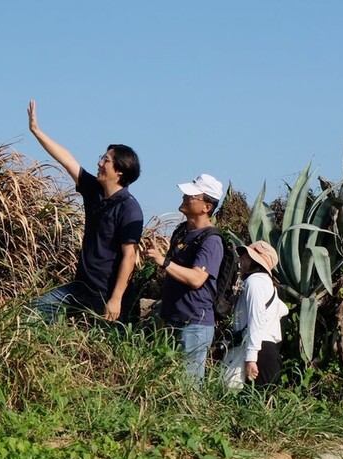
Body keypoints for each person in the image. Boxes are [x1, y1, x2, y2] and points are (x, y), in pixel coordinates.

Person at [26, 100, 143, 323]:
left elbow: (130, 256)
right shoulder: (94, 190)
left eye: (106, 160)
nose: (99, 163)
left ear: (119, 171)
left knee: (102, 350)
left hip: (106, 295)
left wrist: (116, 298)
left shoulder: (129, 208)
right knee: (34, 311)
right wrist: (36, 131)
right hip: (80, 288)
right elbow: (67, 160)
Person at [145, 174, 224, 381]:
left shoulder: (211, 240)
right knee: (167, 382)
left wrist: (164, 261)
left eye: (192, 195)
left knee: (187, 388)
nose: (184, 196)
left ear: (207, 207)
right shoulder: (182, 232)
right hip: (173, 318)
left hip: (195, 324)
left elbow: (197, 278)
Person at [222, 240, 288, 388]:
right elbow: (284, 309)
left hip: (258, 351)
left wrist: (251, 358)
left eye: (245, 255)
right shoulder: (267, 283)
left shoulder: (255, 282)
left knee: (249, 404)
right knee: (260, 404)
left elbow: (256, 319)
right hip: (266, 349)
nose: (241, 258)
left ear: (253, 260)